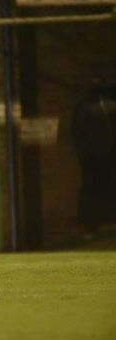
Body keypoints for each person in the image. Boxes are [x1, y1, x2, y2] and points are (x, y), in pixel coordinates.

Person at [72, 78, 116, 238]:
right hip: (93, 156)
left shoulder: (108, 106)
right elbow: (78, 132)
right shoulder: (85, 108)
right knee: (90, 189)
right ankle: (87, 224)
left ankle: (102, 221)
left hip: (107, 155)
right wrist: (83, 154)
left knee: (104, 187)